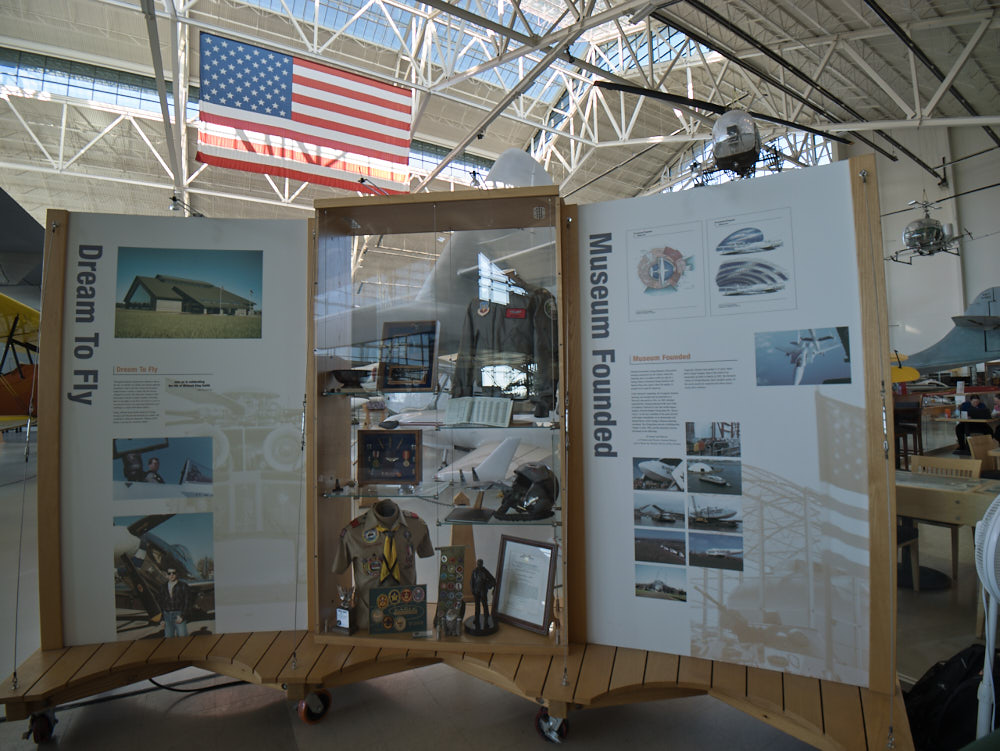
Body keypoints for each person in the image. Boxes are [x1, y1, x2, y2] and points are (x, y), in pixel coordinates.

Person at [160, 568, 190, 638]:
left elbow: (187, 602)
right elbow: (161, 603)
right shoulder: (163, 587)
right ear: (166, 575)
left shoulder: (183, 585)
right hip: (167, 615)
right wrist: (162, 619)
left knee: (183, 637)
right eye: (169, 573)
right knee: (169, 638)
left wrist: (182, 616)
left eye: (173, 573)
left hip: (178, 614)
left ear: (177, 574)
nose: (171, 575)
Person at [468, 559, 496, 633]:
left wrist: (488, 585)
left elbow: (493, 580)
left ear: (482, 564)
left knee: (485, 605)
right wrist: (472, 589)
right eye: (478, 564)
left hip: (483, 591)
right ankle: (476, 618)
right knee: (477, 606)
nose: (479, 565)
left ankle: (486, 619)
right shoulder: (474, 571)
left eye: (480, 564)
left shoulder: (485, 571)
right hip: (476, 591)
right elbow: (471, 581)